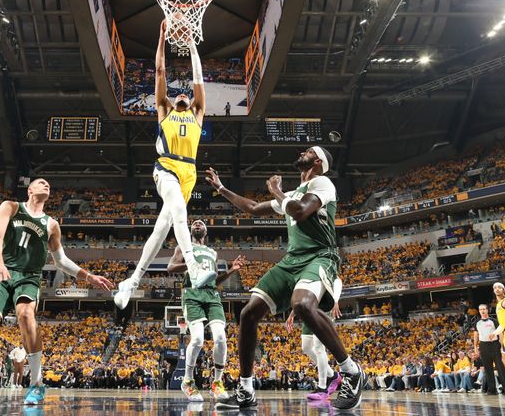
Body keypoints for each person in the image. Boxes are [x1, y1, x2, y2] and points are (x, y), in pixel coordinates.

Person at [206, 147, 364, 410]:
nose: (302, 152)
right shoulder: (291, 194)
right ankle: (245, 389)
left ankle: (351, 371)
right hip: (292, 260)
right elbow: (254, 207)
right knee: (248, 313)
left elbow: (301, 211)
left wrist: (277, 192)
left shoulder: (322, 183)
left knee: (302, 305)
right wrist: (222, 188)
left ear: (317, 161)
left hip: (319, 255)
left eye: (308, 151)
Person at [0, 177, 113, 405]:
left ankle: (37, 383)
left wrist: (88, 276)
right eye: (41, 182)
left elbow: (61, 261)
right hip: (4, 270)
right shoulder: (10, 207)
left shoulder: (51, 224)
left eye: (49, 184)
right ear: (29, 190)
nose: (46, 185)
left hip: (29, 277)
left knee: (27, 315)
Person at [114, 21, 215, 310]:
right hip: (167, 167)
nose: (183, 94)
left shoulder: (197, 113)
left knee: (160, 232)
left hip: (189, 173)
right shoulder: (164, 110)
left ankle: (131, 283)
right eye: (178, 94)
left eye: (186, 93)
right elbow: (160, 71)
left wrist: (193, 45)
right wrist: (161, 39)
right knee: (180, 213)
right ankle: (194, 269)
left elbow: (199, 81)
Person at [166, 220, 246, 402]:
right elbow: (170, 268)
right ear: (191, 230)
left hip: (211, 295)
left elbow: (214, 280)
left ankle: (217, 383)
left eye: (201, 223)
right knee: (198, 339)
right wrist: (190, 265)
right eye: (194, 223)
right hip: (192, 293)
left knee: (220, 338)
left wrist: (232, 270)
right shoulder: (184, 248)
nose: (197, 224)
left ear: (206, 230)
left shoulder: (212, 253)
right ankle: (187, 381)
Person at [285, 275, 343, 401]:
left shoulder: (323, 264)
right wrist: (292, 313)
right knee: (305, 347)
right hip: (310, 309)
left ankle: (322, 387)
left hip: (325, 309)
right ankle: (332, 375)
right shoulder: (306, 271)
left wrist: (336, 300)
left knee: (318, 346)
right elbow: (304, 294)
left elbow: (337, 280)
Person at [473, 303, 505, 395]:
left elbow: (501, 333)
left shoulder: (493, 320)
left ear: (487, 310)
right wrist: (475, 347)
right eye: (480, 309)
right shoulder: (476, 322)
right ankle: (492, 390)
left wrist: (501, 345)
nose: (482, 311)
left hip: (494, 345)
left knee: (500, 367)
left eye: (484, 309)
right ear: (479, 311)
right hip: (483, 346)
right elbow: (475, 335)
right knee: (488, 368)